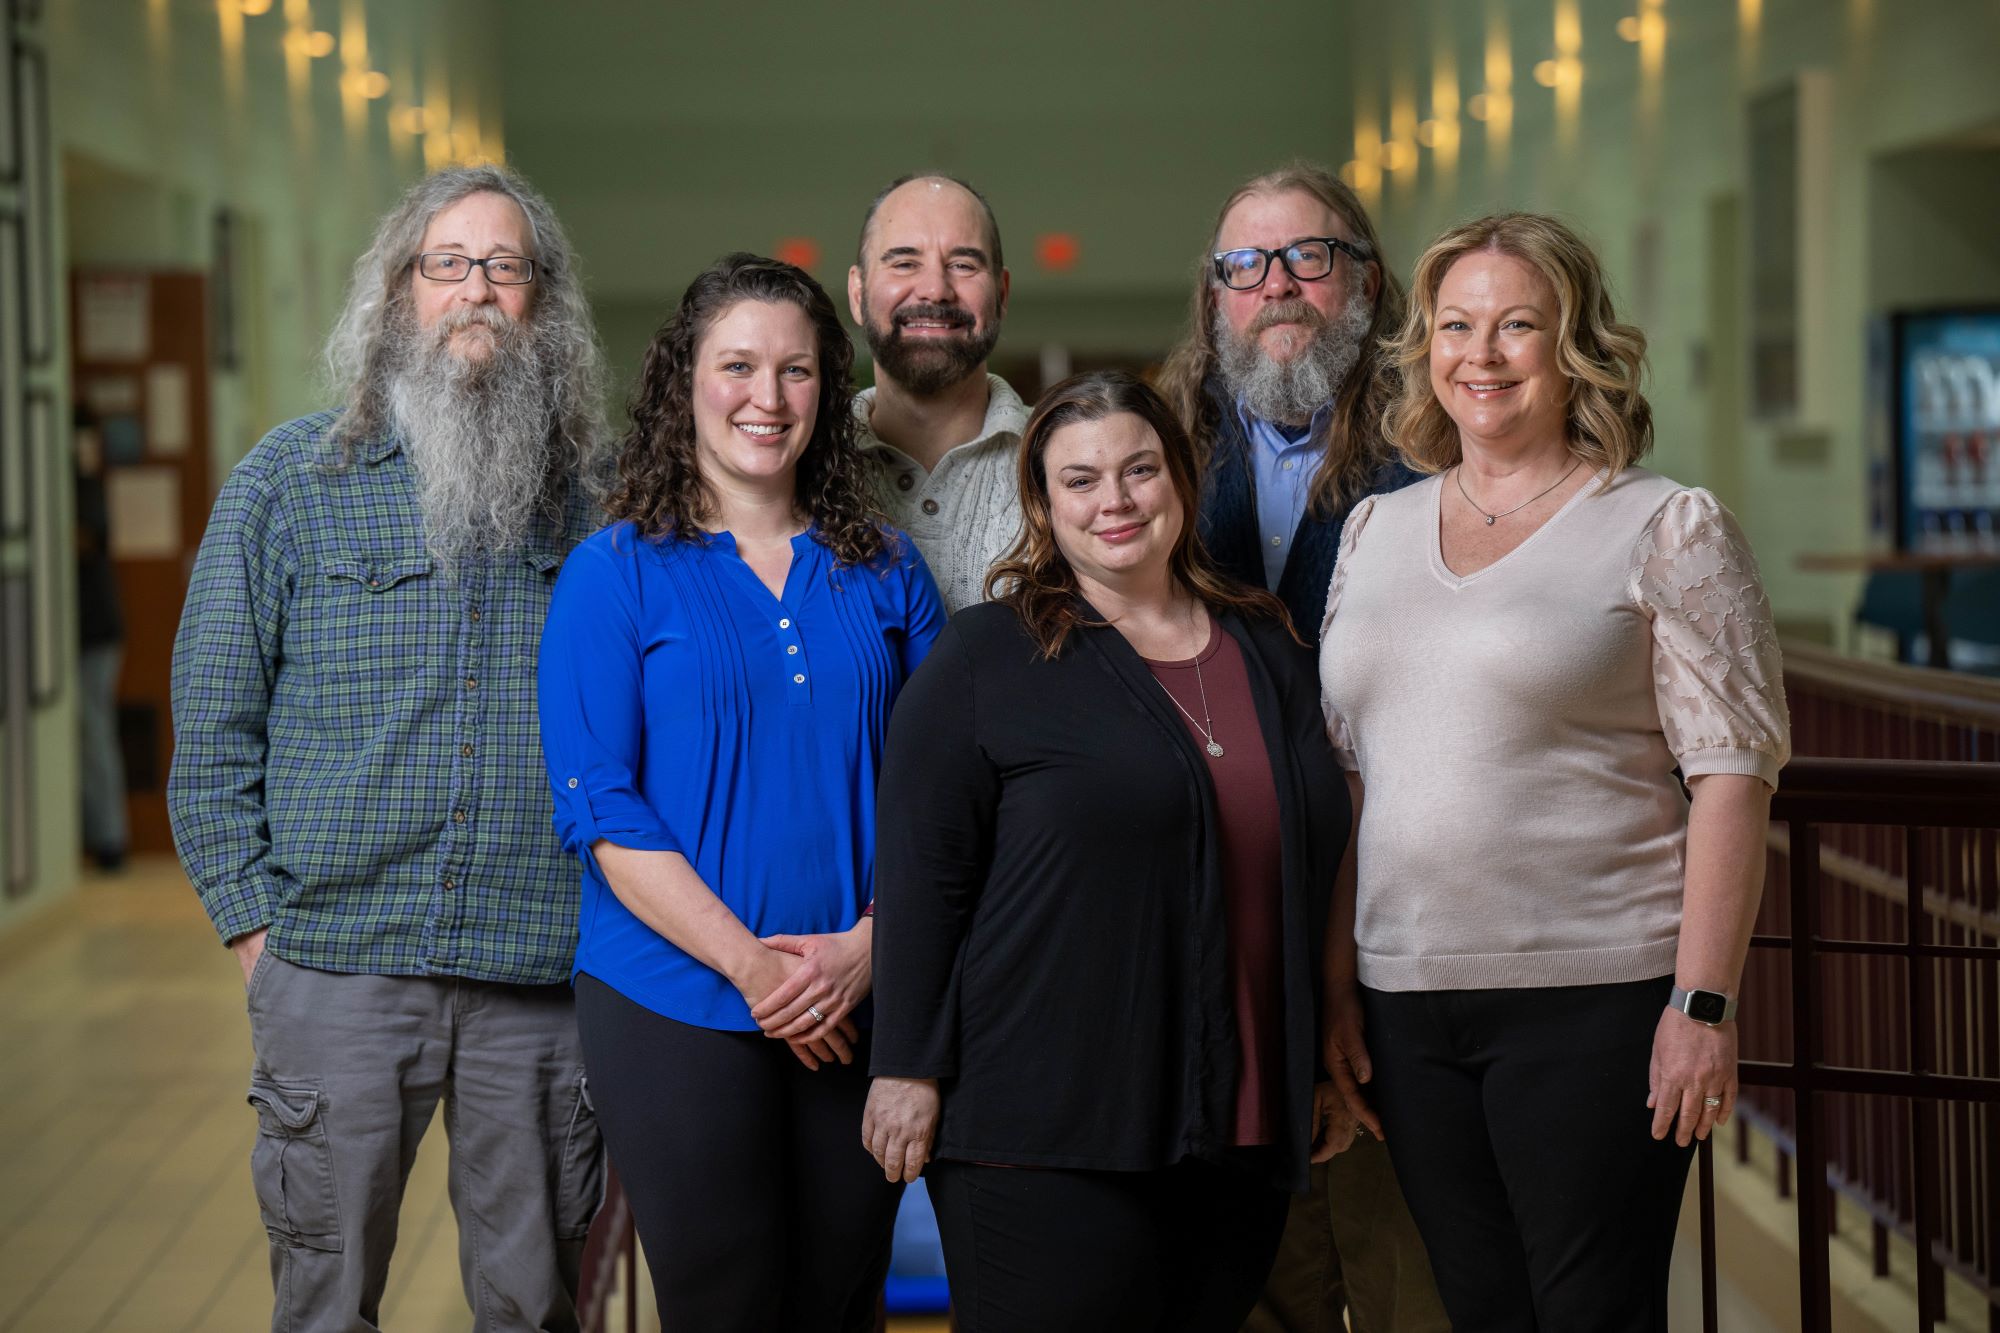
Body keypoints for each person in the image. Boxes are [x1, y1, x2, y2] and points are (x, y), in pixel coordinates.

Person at [1319, 212, 1792, 1331]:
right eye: (1456, 325)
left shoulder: (1661, 525)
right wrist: (1335, 984)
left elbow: (1731, 776)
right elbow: (1349, 779)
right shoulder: (1372, 530)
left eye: (1516, 325)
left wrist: (1700, 1003)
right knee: (1477, 1311)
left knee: (1590, 1312)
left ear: (1571, 343)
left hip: (1594, 998)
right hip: (1404, 1001)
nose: (1479, 355)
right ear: (1423, 346)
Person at [169, 164, 608, 1333]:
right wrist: (260, 932)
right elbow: (212, 731)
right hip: (337, 968)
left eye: (504, 267)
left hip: (543, 975)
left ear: (542, 303)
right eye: (447, 263)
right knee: (324, 1300)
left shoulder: (605, 506)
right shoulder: (288, 485)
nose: (475, 290)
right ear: (398, 291)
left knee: (535, 1304)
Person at [865, 370, 1355, 1332]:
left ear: (1179, 477)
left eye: (1139, 469)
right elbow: (924, 879)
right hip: (1044, 1125)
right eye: (1081, 480)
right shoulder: (988, 659)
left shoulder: (1269, 647)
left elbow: (1317, 857)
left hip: (1239, 1121)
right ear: (1045, 505)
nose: (1116, 500)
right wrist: (906, 1067)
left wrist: (1319, 1053)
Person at [537, 253, 946, 1332]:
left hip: (858, 997)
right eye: (737, 366)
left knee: (841, 1297)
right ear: (684, 384)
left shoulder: (890, 570)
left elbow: (949, 794)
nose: (767, 399)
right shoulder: (614, 570)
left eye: (797, 370)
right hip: (674, 1002)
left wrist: (865, 950)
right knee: (724, 1304)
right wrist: (757, 969)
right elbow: (600, 806)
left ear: (828, 388)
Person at [1158, 164, 1446, 1333]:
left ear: (1366, 285)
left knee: (1404, 1283)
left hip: (1402, 934)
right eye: (1243, 265)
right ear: (1212, 297)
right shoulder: (1152, 462)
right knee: (1250, 1289)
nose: (1274, 287)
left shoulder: (1446, 451)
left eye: (1307, 258)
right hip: (1220, 950)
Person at [849, 172, 1030, 612]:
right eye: (904, 262)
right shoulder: (797, 467)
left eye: (964, 265)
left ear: (1001, 294)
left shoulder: (1067, 464)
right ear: (857, 293)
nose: (934, 289)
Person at [74, 409, 127, 872]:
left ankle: (111, 840)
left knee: (94, 735)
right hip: (81, 632)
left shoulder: (85, 487)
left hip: (95, 631)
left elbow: (90, 537)